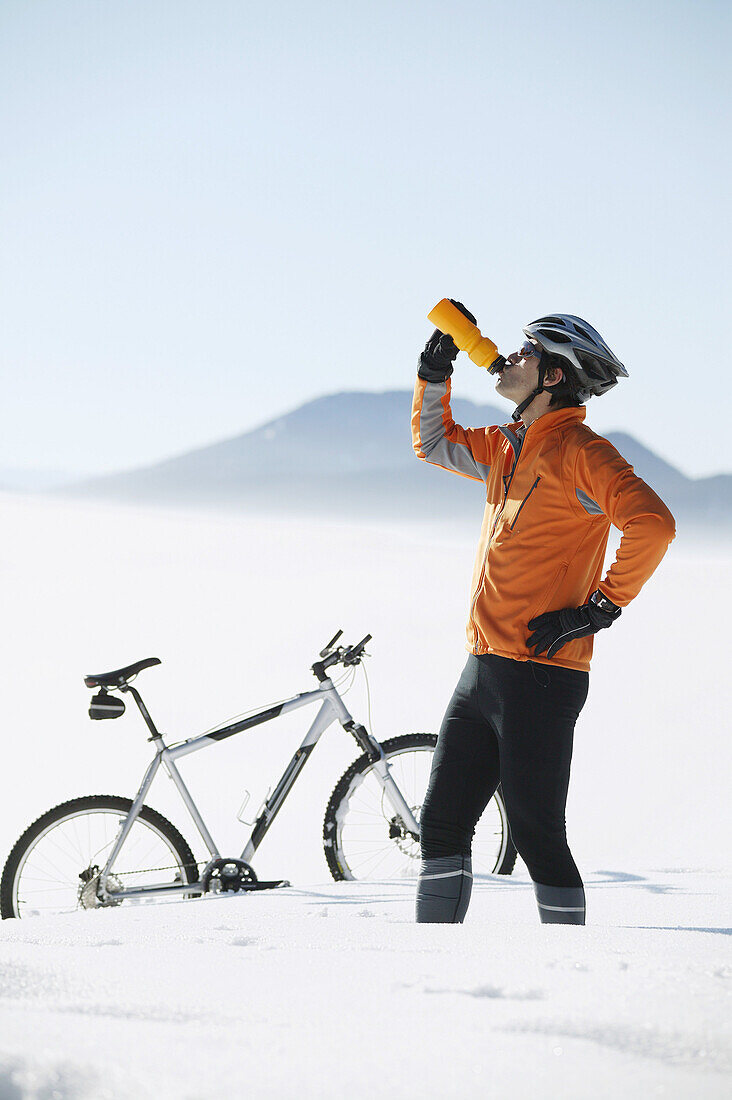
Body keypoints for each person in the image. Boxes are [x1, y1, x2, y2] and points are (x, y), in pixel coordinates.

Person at [411, 304, 676, 925]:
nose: (510, 357)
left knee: (536, 838)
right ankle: (429, 973)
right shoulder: (507, 448)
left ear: (554, 376)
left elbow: (653, 525)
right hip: (481, 667)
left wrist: (600, 608)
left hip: (541, 675)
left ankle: (568, 973)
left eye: (528, 353)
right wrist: (434, 373)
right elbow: (434, 443)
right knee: (441, 827)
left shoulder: (581, 452)